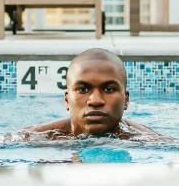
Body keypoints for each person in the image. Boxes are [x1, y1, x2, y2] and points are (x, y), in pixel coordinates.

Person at [21, 48, 159, 140]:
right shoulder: (35, 137)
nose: (95, 100)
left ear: (126, 100)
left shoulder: (148, 141)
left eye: (109, 89)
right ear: (67, 100)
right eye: (83, 89)